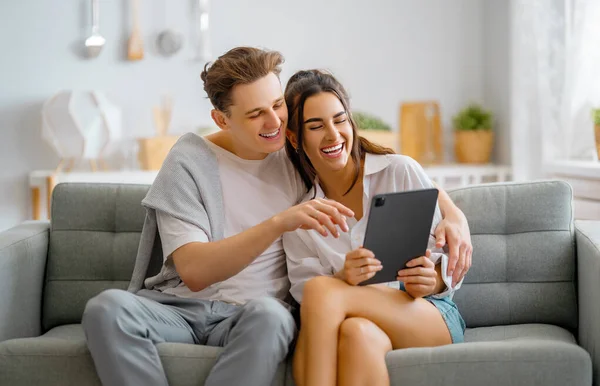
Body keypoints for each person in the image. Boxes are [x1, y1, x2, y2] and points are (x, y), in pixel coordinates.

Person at [81, 47, 471, 386]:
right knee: (106, 308)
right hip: (181, 308)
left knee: (286, 311)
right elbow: (195, 271)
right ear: (222, 120)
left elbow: (385, 169)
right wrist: (281, 223)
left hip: (261, 315)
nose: (274, 123)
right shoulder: (197, 163)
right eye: (255, 114)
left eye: (278, 106)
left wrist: (453, 214)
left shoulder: (298, 152)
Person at [282, 69, 467, 386]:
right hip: (357, 323)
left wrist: (431, 281)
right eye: (316, 126)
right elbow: (309, 308)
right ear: (295, 137)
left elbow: (445, 263)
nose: (333, 135)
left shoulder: (398, 172)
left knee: (320, 289)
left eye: (339, 120)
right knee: (356, 334)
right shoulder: (301, 216)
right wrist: (344, 277)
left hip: (424, 312)